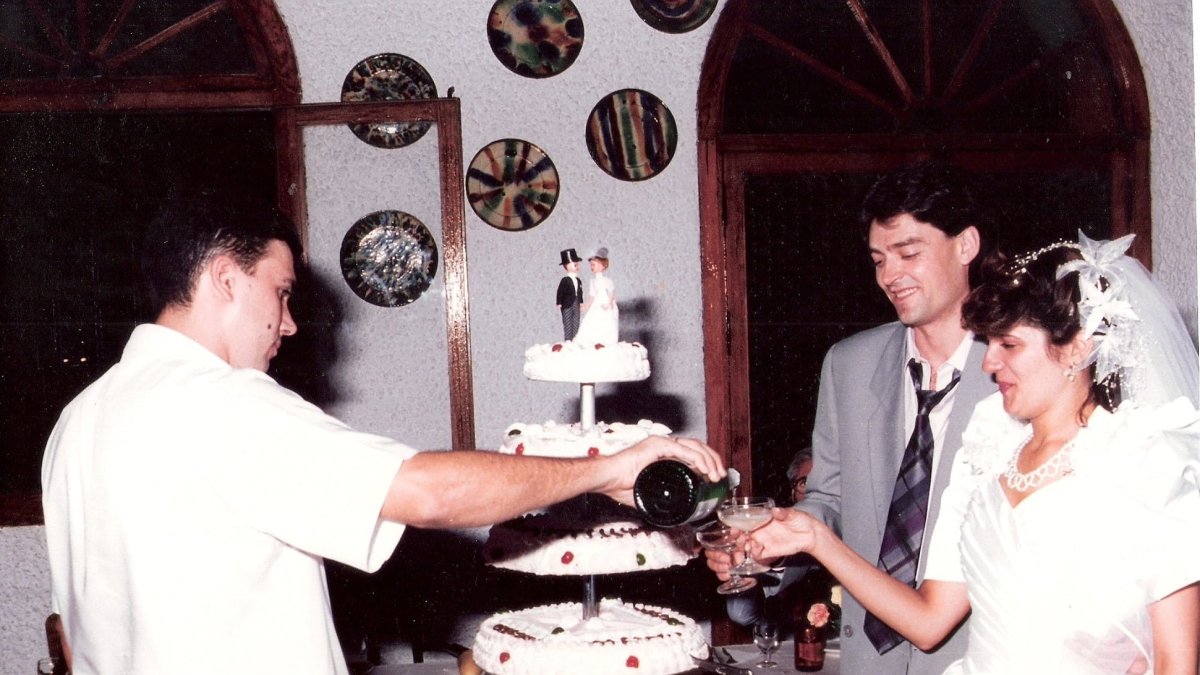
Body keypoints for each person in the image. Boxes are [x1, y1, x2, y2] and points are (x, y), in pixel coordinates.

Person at [41, 195, 725, 675]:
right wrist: (610, 466)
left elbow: (77, 630)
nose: (289, 323)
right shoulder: (226, 403)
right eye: (281, 292)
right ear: (225, 278)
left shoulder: (79, 419)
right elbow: (425, 493)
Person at [748, 232, 1200, 674]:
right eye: (989, 342)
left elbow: (1176, 662)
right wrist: (818, 539)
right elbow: (927, 622)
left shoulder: (1149, 461)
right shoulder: (989, 443)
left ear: (1076, 348)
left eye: (1010, 345)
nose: (987, 363)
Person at [707, 160, 996, 674]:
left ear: (966, 245)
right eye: (879, 259)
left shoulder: (1016, 370)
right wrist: (769, 550)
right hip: (867, 661)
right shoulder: (850, 363)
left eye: (909, 253)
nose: (890, 276)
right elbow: (831, 501)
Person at [574, 247, 619, 345]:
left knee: (606, 321)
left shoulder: (606, 280)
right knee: (591, 320)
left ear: (602, 265)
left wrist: (609, 303)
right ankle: (590, 341)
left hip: (605, 303)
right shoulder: (593, 281)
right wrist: (586, 306)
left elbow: (611, 292)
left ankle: (606, 341)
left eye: (594, 265)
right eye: (591, 265)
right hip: (596, 304)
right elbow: (592, 296)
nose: (592, 267)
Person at [555, 248, 584, 340]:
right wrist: (559, 302)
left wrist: (581, 302)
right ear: (566, 266)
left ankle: (575, 339)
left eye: (577, 264)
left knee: (576, 321)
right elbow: (560, 292)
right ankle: (568, 340)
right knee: (567, 322)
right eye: (575, 265)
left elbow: (580, 292)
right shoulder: (565, 280)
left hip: (576, 303)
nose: (577, 266)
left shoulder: (578, 280)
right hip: (567, 304)